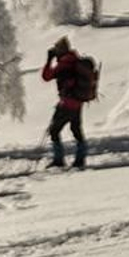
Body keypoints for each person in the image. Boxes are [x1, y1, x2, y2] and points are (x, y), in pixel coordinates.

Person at [41, 36, 88, 169]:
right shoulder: (75, 60)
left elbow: (46, 76)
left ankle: (59, 159)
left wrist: (49, 60)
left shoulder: (64, 64)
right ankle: (80, 158)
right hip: (78, 102)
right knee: (76, 130)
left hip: (67, 103)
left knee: (54, 130)